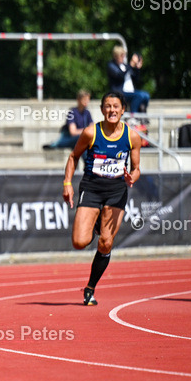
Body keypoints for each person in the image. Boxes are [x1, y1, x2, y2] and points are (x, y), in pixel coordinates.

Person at [62, 92, 141, 306]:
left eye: (116, 106)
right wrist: (67, 183)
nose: (112, 110)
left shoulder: (132, 136)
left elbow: (136, 169)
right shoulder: (90, 132)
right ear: (102, 109)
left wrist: (131, 177)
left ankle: (90, 288)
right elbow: (73, 156)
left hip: (116, 190)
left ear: (123, 110)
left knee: (106, 242)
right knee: (79, 242)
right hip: (92, 187)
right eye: (108, 106)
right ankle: (96, 223)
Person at [106, 46, 149, 114]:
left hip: (131, 91)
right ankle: (133, 115)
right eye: (121, 56)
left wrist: (137, 69)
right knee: (139, 96)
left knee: (146, 95)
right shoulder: (112, 65)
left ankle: (142, 115)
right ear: (116, 56)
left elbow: (136, 80)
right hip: (120, 92)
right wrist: (131, 65)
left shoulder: (125, 66)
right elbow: (119, 75)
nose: (123, 57)